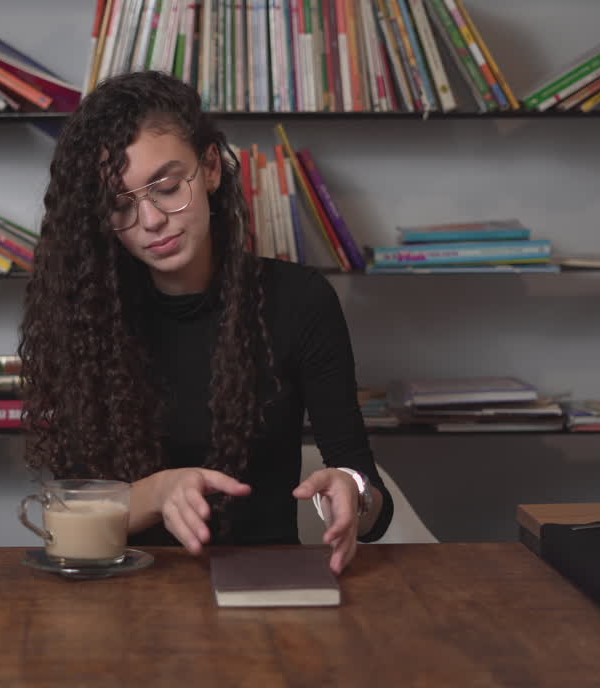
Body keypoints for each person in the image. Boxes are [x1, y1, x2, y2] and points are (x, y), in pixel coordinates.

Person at [19, 71, 392, 574]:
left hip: (265, 586)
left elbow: (370, 502)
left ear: (211, 168)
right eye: (120, 205)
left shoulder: (301, 302)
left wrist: (353, 493)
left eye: (168, 187)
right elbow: (67, 517)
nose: (152, 220)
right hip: (124, 592)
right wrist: (161, 491)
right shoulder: (87, 319)